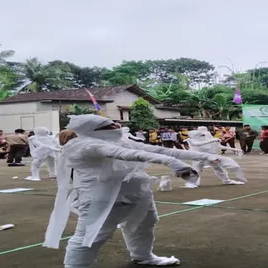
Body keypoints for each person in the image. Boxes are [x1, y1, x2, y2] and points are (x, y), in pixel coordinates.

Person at [43, 114, 199, 267]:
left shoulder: (119, 140)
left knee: (144, 224)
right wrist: (172, 162)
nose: (117, 126)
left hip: (137, 192)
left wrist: (210, 157)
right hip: (103, 197)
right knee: (90, 236)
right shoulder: (86, 144)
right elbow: (129, 154)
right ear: (94, 129)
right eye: (110, 125)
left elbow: (161, 151)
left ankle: (143, 256)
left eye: (114, 123)